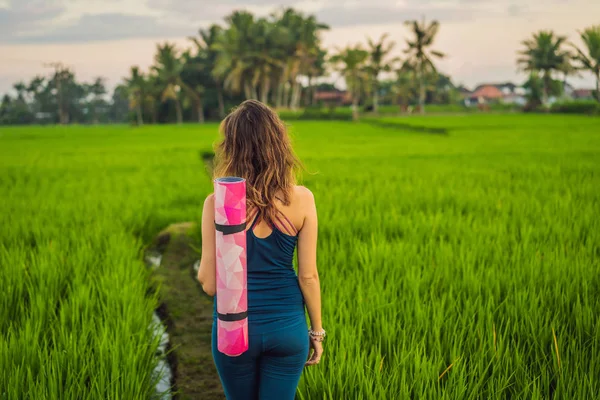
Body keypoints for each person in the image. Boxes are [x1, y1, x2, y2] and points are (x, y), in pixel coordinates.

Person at [197, 100, 325, 400]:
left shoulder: (216, 203)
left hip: (235, 329)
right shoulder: (303, 199)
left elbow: (209, 284)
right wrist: (316, 332)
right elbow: (308, 276)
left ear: (231, 147)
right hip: (288, 330)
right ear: (279, 143)